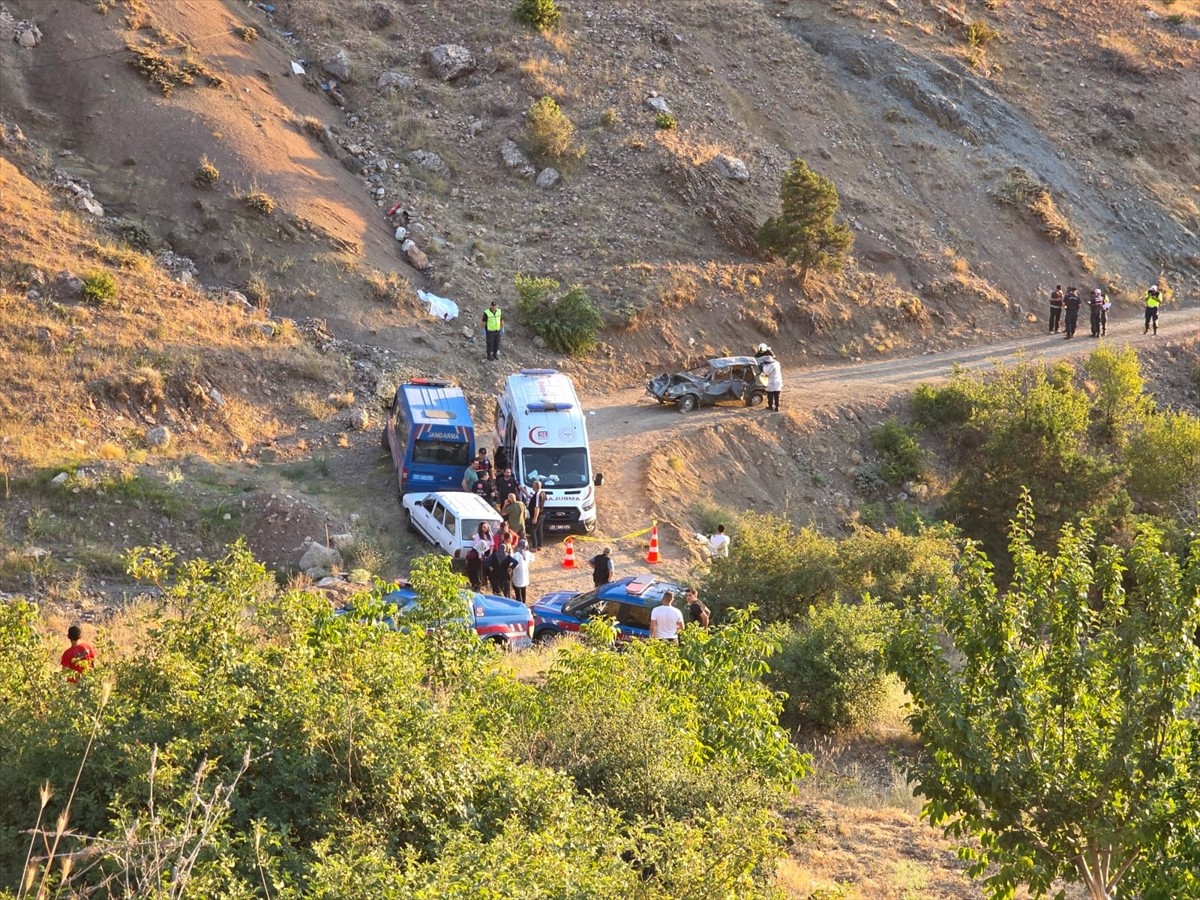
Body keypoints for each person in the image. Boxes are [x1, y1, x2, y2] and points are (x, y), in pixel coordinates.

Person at [511, 539, 535, 605]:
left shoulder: (516, 554)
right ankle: (524, 603)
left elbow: (514, 565)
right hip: (524, 575)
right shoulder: (527, 553)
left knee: (518, 591)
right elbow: (533, 558)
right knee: (524, 590)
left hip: (518, 575)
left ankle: (519, 604)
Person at [527, 479, 547, 550]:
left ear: (535, 486)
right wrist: (525, 493)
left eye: (533, 485)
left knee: (532, 530)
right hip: (542, 514)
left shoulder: (538, 494)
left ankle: (534, 546)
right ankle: (540, 545)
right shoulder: (543, 492)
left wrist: (535, 518)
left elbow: (537, 507)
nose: (532, 486)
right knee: (539, 530)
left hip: (537, 515)